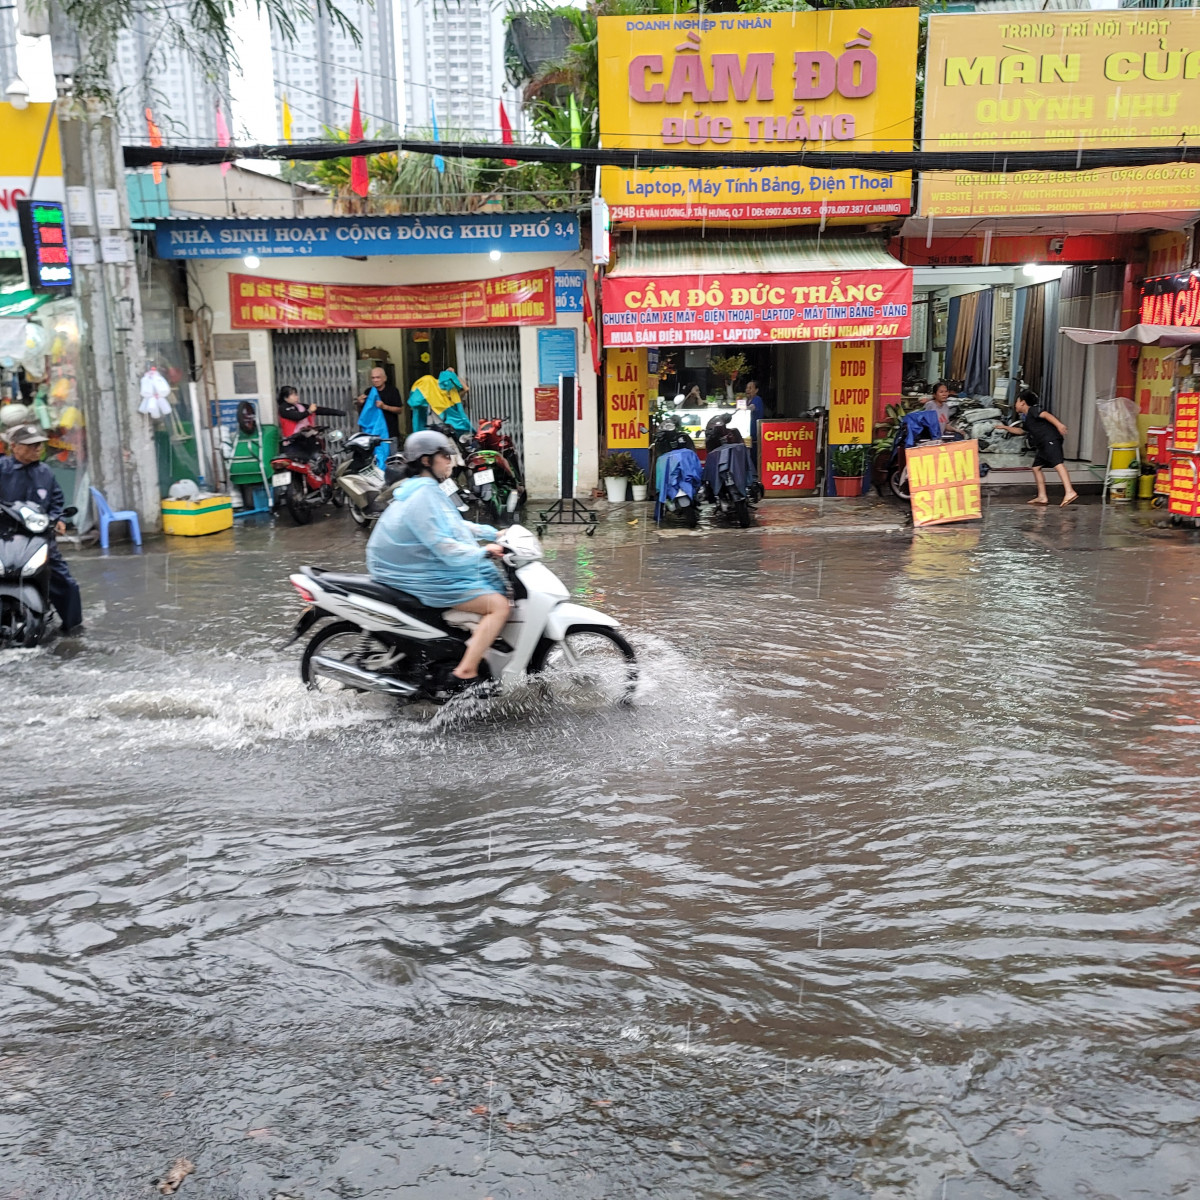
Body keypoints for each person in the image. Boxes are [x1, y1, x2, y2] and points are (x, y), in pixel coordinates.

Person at [366, 430, 509, 693]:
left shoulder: (428, 489)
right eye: (444, 456)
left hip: (418, 567)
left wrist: (494, 534)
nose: (450, 461)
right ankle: (465, 671)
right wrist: (483, 552)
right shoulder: (422, 495)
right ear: (426, 460)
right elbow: (444, 546)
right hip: (415, 574)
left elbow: (454, 526)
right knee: (498, 605)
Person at [0, 423, 82, 632]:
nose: (37, 448)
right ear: (14, 446)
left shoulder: (45, 472)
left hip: (39, 539)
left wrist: (57, 518)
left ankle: (73, 627)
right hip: (4, 538)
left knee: (66, 583)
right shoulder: (2, 469)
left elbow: (56, 500)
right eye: (31, 445)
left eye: (39, 444)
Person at [995, 389, 1079, 507]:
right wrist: (1006, 428)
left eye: (1017, 401)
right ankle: (1042, 496)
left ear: (1023, 402)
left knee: (1058, 464)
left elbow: (1046, 414)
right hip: (1042, 445)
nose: (1015, 405)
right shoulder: (1027, 418)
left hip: (1050, 440)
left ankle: (1070, 491)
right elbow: (1021, 431)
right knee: (1036, 467)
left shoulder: (1033, 410)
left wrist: (1059, 425)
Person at [356, 366, 405, 450]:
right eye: (373, 378)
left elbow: (399, 410)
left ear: (384, 378)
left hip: (390, 433)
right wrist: (359, 403)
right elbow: (364, 413)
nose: (375, 380)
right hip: (372, 433)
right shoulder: (369, 391)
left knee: (390, 457)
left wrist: (384, 407)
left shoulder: (392, 391)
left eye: (378, 377)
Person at [276, 385, 344, 442]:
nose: (296, 397)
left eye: (296, 395)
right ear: (285, 398)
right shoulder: (283, 408)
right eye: (293, 395)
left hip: (306, 438)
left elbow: (319, 410)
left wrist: (338, 412)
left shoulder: (300, 406)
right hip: (292, 441)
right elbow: (297, 416)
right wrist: (309, 411)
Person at [743, 380, 766, 448]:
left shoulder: (757, 399)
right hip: (748, 433)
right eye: (747, 388)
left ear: (756, 390)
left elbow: (751, 407)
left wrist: (742, 407)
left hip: (755, 433)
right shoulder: (747, 400)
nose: (747, 390)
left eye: (750, 388)